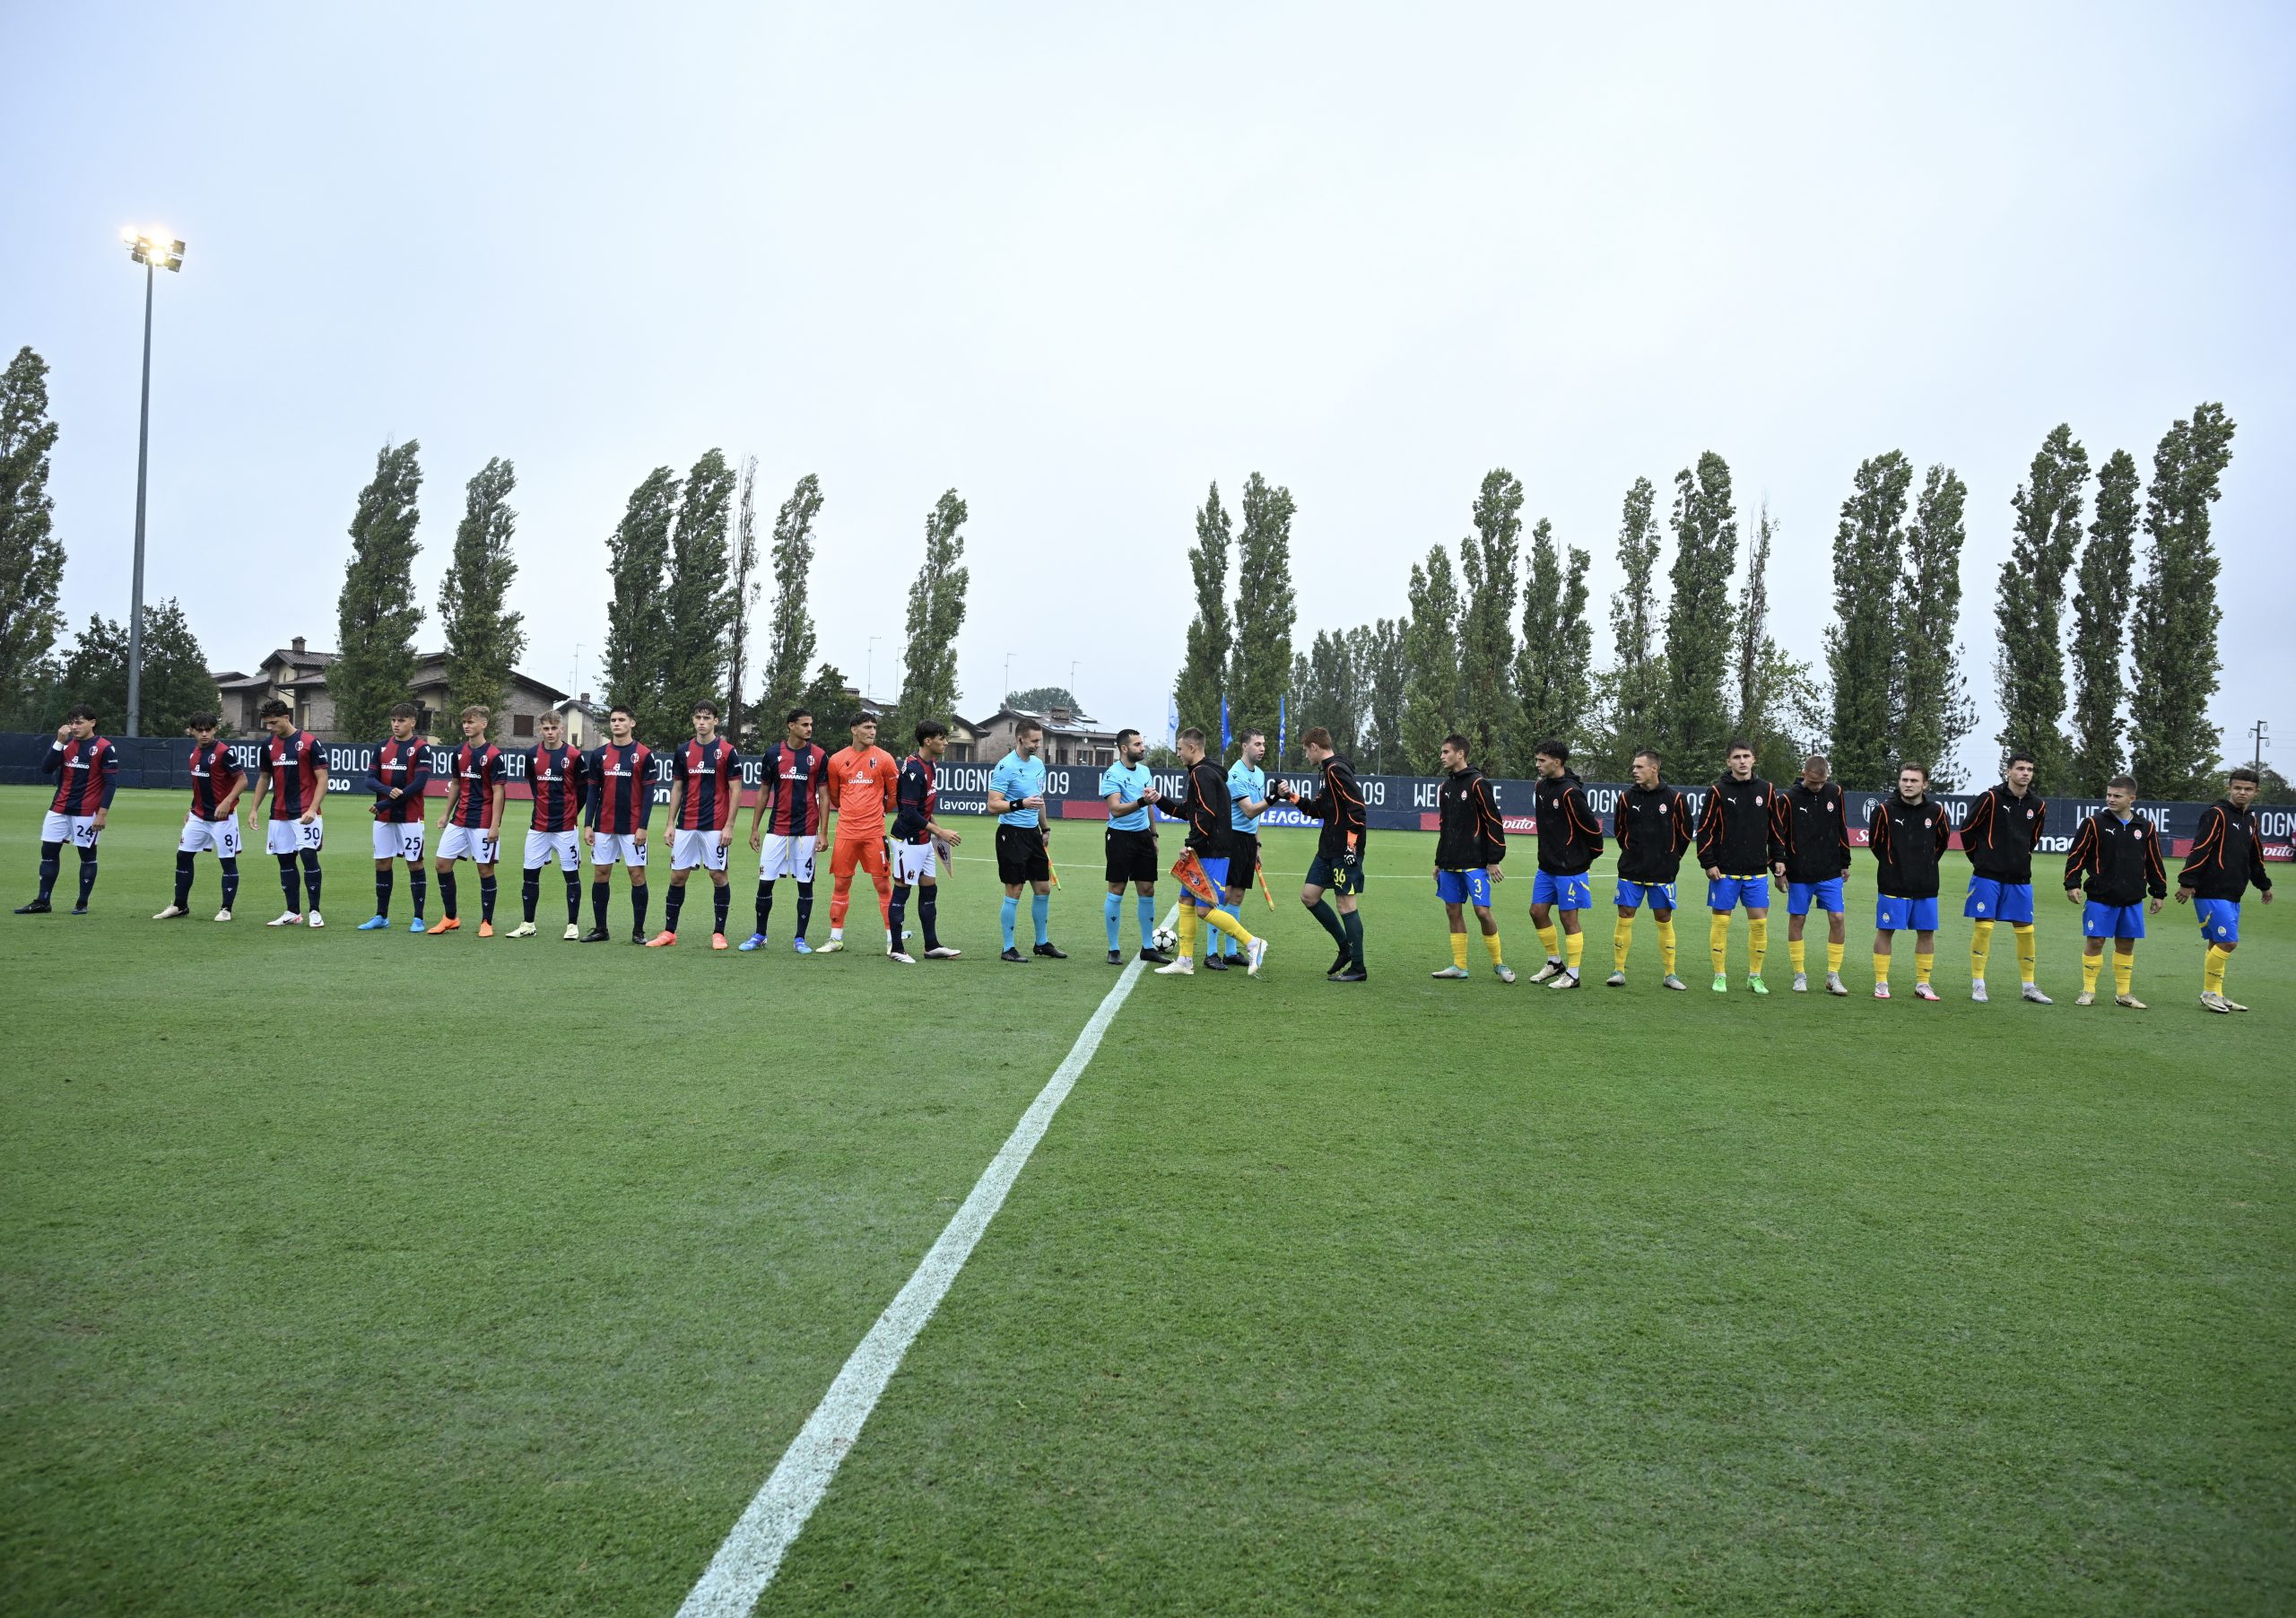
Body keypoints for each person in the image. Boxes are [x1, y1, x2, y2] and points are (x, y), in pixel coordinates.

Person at [1152, 726, 1266, 976]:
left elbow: (1205, 814)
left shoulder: (1201, 774)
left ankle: (1252, 943)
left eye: (1180, 749)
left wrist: (1191, 844)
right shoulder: (1204, 771)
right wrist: (1159, 799)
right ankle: (1184, 960)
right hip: (1206, 848)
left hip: (1211, 850)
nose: (1178, 754)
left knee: (1205, 909)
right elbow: (1188, 810)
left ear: (1192, 748)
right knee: (1186, 900)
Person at [2177, 765, 2274, 1013]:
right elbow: (2200, 848)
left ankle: (2216, 993)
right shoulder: (2216, 814)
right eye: (2237, 788)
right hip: (2211, 890)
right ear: (2229, 788)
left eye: (2248, 789)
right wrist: (2188, 882)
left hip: (2233, 892)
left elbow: (2255, 856)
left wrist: (2264, 885)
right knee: (2229, 942)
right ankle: (2209, 993)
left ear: (2256, 792)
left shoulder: (2251, 819)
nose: (2242, 793)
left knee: (2216, 941)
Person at [2065, 774, 2167, 1007]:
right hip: (2101, 895)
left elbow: (2154, 862)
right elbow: (2076, 855)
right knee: (2096, 941)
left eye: (2117, 796)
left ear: (2132, 798)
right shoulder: (2094, 823)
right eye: (2109, 794)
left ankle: (2123, 994)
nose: (2111, 799)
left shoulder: (2145, 827)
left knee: (2126, 944)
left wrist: (2159, 892)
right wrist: (2072, 883)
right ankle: (2088, 990)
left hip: (2132, 897)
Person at [1961, 751, 2052, 1004]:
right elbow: (1967, 830)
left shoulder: (2038, 806)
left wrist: (2019, 857)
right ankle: (1978, 984)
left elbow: (2033, 838)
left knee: (2026, 930)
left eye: (2029, 769)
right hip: (1988, 875)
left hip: (2020, 877)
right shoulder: (1990, 798)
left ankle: (2029, 986)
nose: (2025, 773)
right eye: (2020, 768)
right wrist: (1981, 859)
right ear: (2008, 771)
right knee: (1984, 928)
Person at [649, 700, 741, 949]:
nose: (702, 721)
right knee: (678, 876)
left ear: (715, 721)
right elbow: (677, 788)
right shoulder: (683, 750)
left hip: (715, 825)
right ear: (693, 720)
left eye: (707, 717)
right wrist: (670, 823)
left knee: (718, 875)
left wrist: (730, 825)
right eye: (698, 717)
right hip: (686, 824)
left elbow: (735, 790)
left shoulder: (726, 751)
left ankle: (719, 933)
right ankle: (669, 931)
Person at [17, 705, 119, 917]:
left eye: (79, 722)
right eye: (71, 722)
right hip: (59, 808)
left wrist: (102, 813)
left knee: (87, 855)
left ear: (92, 722)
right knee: (48, 853)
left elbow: (111, 783)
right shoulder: (65, 745)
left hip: (87, 811)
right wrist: (58, 742)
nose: (74, 727)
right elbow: (46, 769)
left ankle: (82, 903)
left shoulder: (104, 747)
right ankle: (42, 901)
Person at [1695, 739, 1780, 993]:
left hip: (1756, 871)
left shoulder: (1767, 789)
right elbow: (1705, 830)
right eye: (1737, 757)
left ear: (1754, 759)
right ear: (1728, 762)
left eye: (1746, 756)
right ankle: (1719, 975)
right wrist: (1708, 862)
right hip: (1724, 873)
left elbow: (1776, 829)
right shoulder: (1718, 791)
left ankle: (1755, 976)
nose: (1742, 761)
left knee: (1759, 924)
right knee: (1721, 924)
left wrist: (1778, 859)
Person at [743, 708, 830, 953]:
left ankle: (800, 939)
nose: (809, 729)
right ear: (790, 726)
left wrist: (823, 832)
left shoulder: (819, 756)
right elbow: (763, 793)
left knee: (805, 885)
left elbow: (824, 795)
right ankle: (760, 935)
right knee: (765, 883)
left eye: (811, 724)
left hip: (807, 831)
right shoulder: (773, 754)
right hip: (777, 829)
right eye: (804, 724)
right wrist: (754, 829)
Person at [1284, 726, 1368, 981]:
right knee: (1309, 896)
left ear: (1315, 747)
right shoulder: (1327, 773)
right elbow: (1316, 809)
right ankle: (1345, 947)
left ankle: (1358, 968)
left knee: (1346, 904)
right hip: (1328, 849)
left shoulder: (1336, 770)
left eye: (1305, 751)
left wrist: (1351, 847)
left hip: (1344, 850)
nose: (1305, 756)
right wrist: (1291, 796)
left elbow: (1358, 809)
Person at [1430, 733, 1511, 983]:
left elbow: (1493, 821)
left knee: (1482, 912)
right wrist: (1439, 860)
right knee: (1452, 910)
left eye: (1446, 752)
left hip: (1474, 863)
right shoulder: (1445, 787)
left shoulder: (1477, 783)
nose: (1442, 756)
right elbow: (1445, 825)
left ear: (1460, 754)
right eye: (1442, 752)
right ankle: (1459, 966)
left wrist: (1493, 858)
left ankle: (1499, 964)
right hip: (1449, 863)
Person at [1608, 748, 1691, 990]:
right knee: (1625, 915)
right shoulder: (1626, 798)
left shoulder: (1675, 799)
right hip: (1631, 871)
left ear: (1654, 768)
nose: (1634, 771)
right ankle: (1618, 970)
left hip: (1663, 872)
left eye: (1639, 767)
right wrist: (1633, 853)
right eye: (1634, 767)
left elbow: (1685, 834)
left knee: (1664, 918)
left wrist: (1671, 858)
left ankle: (1670, 973)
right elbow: (1620, 831)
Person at [1868, 761, 1952, 1000]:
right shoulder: (1885, 810)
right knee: (1886, 931)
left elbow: (1941, 842)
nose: (1908, 784)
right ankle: (1881, 982)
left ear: (1925, 784)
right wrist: (1894, 864)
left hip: (1926, 884)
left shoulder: (1936, 811)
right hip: (1893, 883)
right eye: (1904, 780)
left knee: (1926, 932)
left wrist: (1925, 864)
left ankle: (1923, 984)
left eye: (1914, 780)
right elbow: (1876, 844)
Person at [243, 698, 328, 927]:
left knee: (309, 858)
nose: (269, 728)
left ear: (286, 718)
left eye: (273, 723)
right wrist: (253, 809)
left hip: (305, 814)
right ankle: (292, 911)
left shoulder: (309, 742)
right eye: (266, 723)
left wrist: (312, 808)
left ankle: (315, 911)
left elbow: (323, 779)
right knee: (285, 861)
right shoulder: (267, 746)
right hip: (278, 813)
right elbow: (264, 778)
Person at [817, 713, 898, 954]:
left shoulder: (884, 759)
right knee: (841, 883)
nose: (872, 731)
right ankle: (835, 938)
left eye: (874, 727)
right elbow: (834, 796)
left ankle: (892, 939)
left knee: (883, 885)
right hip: (846, 833)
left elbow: (893, 796)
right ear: (854, 730)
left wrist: (876, 813)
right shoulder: (837, 760)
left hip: (874, 832)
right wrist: (853, 813)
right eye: (867, 727)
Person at [155, 711, 246, 922]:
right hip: (198, 816)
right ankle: (180, 905)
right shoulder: (194, 754)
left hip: (223, 818)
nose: (205, 734)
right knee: (183, 856)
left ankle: (226, 909)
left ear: (215, 729)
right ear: (192, 731)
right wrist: (191, 808)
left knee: (227, 861)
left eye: (209, 729)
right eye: (200, 730)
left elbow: (242, 781)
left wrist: (227, 801)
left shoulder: (225, 752)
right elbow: (200, 787)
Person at [1527, 738, 1604, 988]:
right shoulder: (1541, 787)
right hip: (1546, 867)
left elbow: (1592, 830)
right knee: (1537, 912)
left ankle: (1573, 974)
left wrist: (1584, 859)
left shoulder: (1571, 792)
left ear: (1557, 762)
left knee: (1568, 918)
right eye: (1537, 759)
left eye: (1542, 760)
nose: (1537, 764)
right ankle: (1554, 962)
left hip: (1571, 869)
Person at [1774, 753, 1851, 995]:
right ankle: (1799, 975)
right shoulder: (1787, 799)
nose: (1818, 787)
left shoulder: (1834, 793)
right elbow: (1778, 835)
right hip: (1799, 872)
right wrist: (1778, 869)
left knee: (1837, 918)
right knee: (1798, 919)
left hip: (1830, 870)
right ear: (1803, 773)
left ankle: (1833, 976)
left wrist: (1845, 861)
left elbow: (1841, 827)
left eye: (1822, 782)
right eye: (1814, 782)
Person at [887, 720, 963, 962]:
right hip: (906, 840)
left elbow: (923, 807)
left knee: (930, 888)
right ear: (928, 741)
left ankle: (931, 945)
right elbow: (908, 812)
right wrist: (940, 832)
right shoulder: (913, 770)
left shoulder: (932, 764)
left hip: (923, 839)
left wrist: (935, 827)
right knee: (902, 891)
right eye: (942, 738)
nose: (946, 742)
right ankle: (897, 949)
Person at [987, 718, 1062, 962]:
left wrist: (1045, 828)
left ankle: (1041, 943)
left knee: (1043, 888)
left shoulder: (1039, 765)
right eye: (1034, 740)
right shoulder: (1005, 766)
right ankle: (1008, 948)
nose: (1038, 745)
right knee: (1015, 889)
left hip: (1033, 834)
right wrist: (1021, 804)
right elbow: (992, 805)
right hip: (1011, 833)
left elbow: (1038, 799)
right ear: (1020, 739)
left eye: (1040, 740)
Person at [509, 709, 587, 940]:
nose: (550, 732)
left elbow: (583, 790)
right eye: (546, 728)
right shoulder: (532, 753)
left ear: (561, 729)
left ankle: (572, 926)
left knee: (571, 876)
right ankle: (527, 924)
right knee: (529, 874)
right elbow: (534, 785)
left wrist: (573, 813)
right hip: (538, 827)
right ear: (540, 730)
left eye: (554, 728)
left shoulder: (573, 755)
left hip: (565, 827)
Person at [430, 706, 506, 936]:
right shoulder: (458, 751)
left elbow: (499, 792)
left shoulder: (494, 755)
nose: (466, 725)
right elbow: (456, 783)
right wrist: (445, 813)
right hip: (459, 819)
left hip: (482, 822)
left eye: (471, 722)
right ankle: (450, 917)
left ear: (483, 724)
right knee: (441, 865)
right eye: (464, 722)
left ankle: (486, 922)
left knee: (484, 870)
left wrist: (495, 825)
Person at [579, 704, 653, 943]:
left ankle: (638, 931)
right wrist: (588, 824)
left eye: (622, 720)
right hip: (603, 824)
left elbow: (648, 794)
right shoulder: (599, 754)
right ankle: (601, 929)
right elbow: (592, 790)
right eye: (613, 720)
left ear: (632, 723)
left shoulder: (643, 754)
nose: (616, 724)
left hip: (632, 826)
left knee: (636, 875)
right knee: (600, 873)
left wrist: (643, 826)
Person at [357, 701, 431, 933]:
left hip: (410, 817)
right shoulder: (381, 747)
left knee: (414, 863)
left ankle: (418, 918)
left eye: (401, 720)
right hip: (383, 817)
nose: (396, 724)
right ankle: (381, 916)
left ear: (413, 722)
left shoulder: (421, 748)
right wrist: (387, 792)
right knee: (382, 862)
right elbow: (369, 779)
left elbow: (419, 784)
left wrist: (385, 802)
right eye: (393, 720)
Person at [1099, 727, 1169, 965]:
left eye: (1142, 743)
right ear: (1124, 748)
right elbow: (1115, 810)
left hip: (1143, 837)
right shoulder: (1112, 774)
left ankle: (1148, 947)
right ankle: (1113, 948)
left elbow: (1149, 806)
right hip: (1119, 836)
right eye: (1138, 744)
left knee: (1147, 889)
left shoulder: (1145, 772)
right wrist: (1141, 801)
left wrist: (1154, 835)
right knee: (1117, 888)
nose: (1143, 748)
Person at [1213, 728, 1271, 968]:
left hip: (1248, 840)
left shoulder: (1260, 774)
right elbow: (1249, 810)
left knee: (1237, 897)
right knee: (1223, 896)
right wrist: (1275, 797)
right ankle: (1210, 953)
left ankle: (1231, 952)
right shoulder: (1234, 774)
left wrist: (1257, 845)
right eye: (1257, 743)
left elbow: (1256, 818)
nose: (1262, 747)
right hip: (1231, 838)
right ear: (1244, 746)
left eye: (1263, 743)